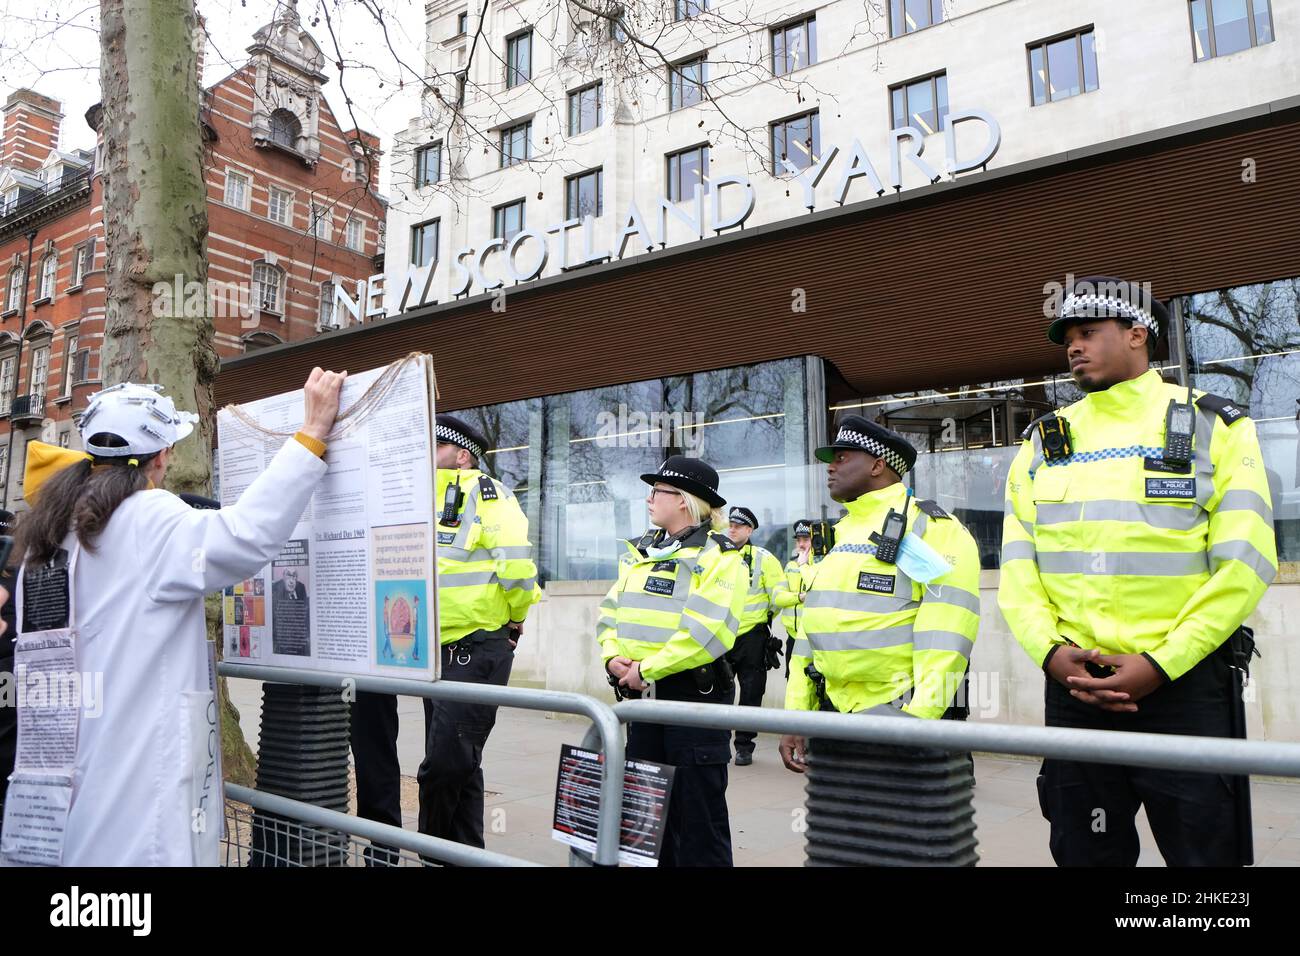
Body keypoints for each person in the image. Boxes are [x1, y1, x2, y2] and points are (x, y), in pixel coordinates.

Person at [0, 368, 345, 866]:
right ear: (162, 457)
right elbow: (246, 537)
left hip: (65, 769)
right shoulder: (148, 516)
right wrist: (311, 434)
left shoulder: (53, 526)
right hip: (136, 777)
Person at [999, 275, 1277, 867]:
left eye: (1088, 332)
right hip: (1076, 689)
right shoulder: (1043, 444)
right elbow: (1019, 567)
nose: (1073, 346)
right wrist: (1050, 652)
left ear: (1137, 334)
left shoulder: (1214, 426)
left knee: (1207, 865)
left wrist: (1160, 664)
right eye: (1067, 337)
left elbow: (1246, 562)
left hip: (1185, 689)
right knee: (1084, 852)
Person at [350, 413, 541, 857]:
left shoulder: (487, 495)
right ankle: (466, 853)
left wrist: (514, 619)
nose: (424, 454)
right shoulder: (414, 500)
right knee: (463, 761)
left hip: (477, 646)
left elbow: (516, 566)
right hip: (432, 650)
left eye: (434, 447)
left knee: (444, 763)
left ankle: (431, 850)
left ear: (460, 455)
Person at [780, 417, 980, 766]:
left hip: (900, 718)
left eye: (842, 457)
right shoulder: (838, 533)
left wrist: (915, 725)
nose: (830, 467)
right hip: (832, 718)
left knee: (909, 821)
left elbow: (947, 639)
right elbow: (811, 629)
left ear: (877, 464)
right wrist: (796, 714)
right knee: (838, 821)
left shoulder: (932, 528)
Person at [597, 455, 748, 866]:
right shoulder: (642, 549)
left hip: (692, 698)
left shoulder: (720, 555)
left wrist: (644, 669)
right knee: (649, 818)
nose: (649, 498)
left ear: (684, 500)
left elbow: (706, 633)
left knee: (700, 821)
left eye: (658, 491)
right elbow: (610, 611)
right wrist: (613, 656)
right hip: (644, 696)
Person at [723, 505, 795, 765]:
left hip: (752, 636)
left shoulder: (765, 558)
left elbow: (776, 596)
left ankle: (744, 747)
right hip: (721, 635)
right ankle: (720, 744)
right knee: (719, 693)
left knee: (752, 693)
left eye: (738, 526)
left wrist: (762, 619)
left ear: (750, 530)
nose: (732, 529)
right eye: (730, 524)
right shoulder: (717, 555)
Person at [779, 519, 816, 678]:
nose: (801, 544)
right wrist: (799, 597)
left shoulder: (822, 566)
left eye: (806, 540)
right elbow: (778, 598)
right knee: (793, 681)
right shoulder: (790, 566)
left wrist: (804, 566)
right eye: (798, 540)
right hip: (793, 638)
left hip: (814, 640)